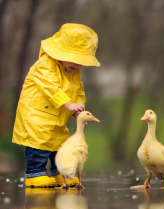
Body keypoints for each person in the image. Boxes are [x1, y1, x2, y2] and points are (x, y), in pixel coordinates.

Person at [12, 23, 100, 187]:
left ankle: (61, 172)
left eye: (82, 61)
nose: (78, 65)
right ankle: (34, 173)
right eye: (76, 59)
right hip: (37, 116)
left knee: (60, 146)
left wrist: (77, 110)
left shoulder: (73, 71)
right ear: (60, 52)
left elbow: (79, 92)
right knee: (39, 144)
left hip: (58, 117)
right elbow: (50, 87)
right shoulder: (44, 65)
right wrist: (67, 103)